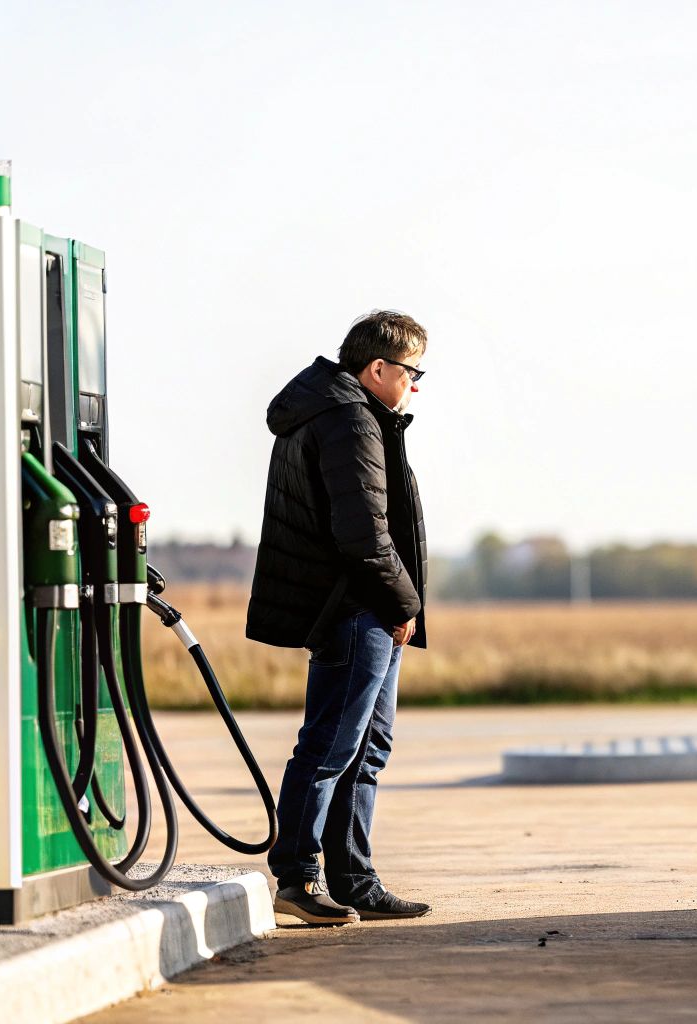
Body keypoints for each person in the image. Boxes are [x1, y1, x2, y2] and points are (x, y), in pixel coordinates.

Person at [246, 310, 431, 925]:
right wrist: (403, 601)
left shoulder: (349, 414)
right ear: (377, 367)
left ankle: (355, 880)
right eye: (411, 371)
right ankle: (298, 878)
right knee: (331, 746)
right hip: (357, 608)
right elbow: (364, 534)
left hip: (365, 607)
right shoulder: (350, 420)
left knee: (366, 749)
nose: (414, 384)